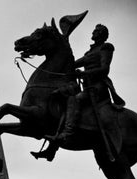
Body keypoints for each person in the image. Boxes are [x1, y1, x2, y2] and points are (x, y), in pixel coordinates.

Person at [33, 24, 125, 161]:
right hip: (88, 87)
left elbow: (105, 69)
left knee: (73, 100)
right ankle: (51, 149)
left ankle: (67, 133)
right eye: (94, 30)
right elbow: (73, 64)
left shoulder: (106, 48)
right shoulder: (90, 52)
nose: (93, 32)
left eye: (96, 31)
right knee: (64, 102)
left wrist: (85, 73)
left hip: (97, 87)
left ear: (102, 34)